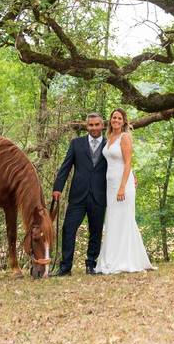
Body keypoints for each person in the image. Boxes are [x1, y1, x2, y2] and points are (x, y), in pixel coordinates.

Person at [94, 107, 155, 274]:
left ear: (124, 121)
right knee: (113, 220)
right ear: (110, 120)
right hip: (110, 185)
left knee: (124, 219)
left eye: (119, 118)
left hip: (123, 185)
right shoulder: (109, 137)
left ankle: (125, 260)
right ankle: (111, 258)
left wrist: (122, 187)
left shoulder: (125, 137)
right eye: (114, 118)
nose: (116, 121)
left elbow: (128, 163)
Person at [51, 113, 108, 275]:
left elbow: (120, 163)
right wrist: (57, 188)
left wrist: (131, 177)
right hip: (78, 195)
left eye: (97, 125)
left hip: (99, 194)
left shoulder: (109, 144)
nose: (94, 128)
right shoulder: (76, 143)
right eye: (91, 125)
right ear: (86, 126)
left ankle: (91, 264)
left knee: (96, 231)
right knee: (68, 229)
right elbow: (65, 166)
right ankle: (65, 267)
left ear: (102, 125)